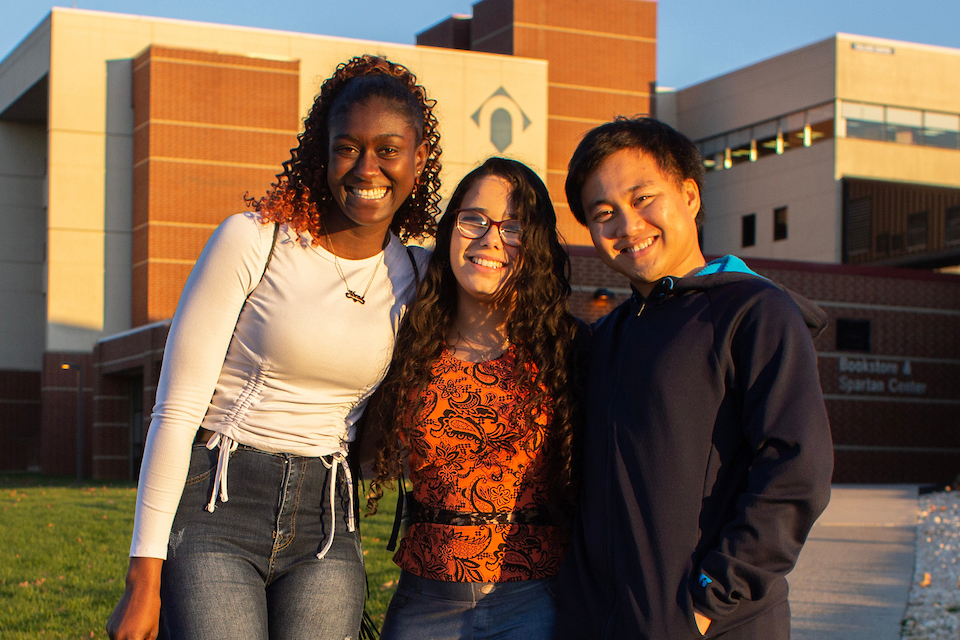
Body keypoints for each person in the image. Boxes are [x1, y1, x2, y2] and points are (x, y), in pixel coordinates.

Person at [106, 54, 442, 640]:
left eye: (388, 149)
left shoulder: (418, 275)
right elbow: (176, 410)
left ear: (419, 160)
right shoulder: (255, 241)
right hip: (218, 502)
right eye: (347, 147)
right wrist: (144, 579)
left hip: (328, 520)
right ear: (323, 153)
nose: (368, 167)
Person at [552, 117, 834, 639]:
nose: (628, 225)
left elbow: (797, 469)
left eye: (642, 199)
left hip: (712, 624)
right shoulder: (609, 336)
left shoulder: (754, 313)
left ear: (689, 195)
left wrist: (709, 602)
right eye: (604, 213)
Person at [365, 157, 584, 640]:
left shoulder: (570, 350)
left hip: (534, 601)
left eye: (514, 227)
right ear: (450, 230)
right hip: (424, 601)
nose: (490, 239)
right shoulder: (403, 340)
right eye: (474, 220)